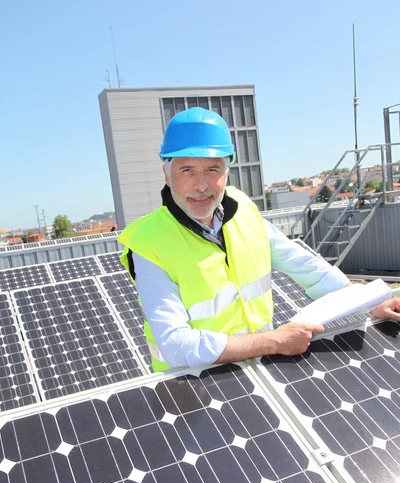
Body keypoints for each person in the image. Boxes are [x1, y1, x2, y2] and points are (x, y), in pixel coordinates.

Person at [118, 107, 400, 371]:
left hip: (259, 371)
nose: (201, 185)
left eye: (212, 170)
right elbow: (175, 345)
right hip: (193, 388)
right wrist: (273, 341)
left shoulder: (243, 209)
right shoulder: (148, 243)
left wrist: (366, 303)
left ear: (227, 172)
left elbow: (306, 267)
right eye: (187, 170)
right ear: (167, 174)